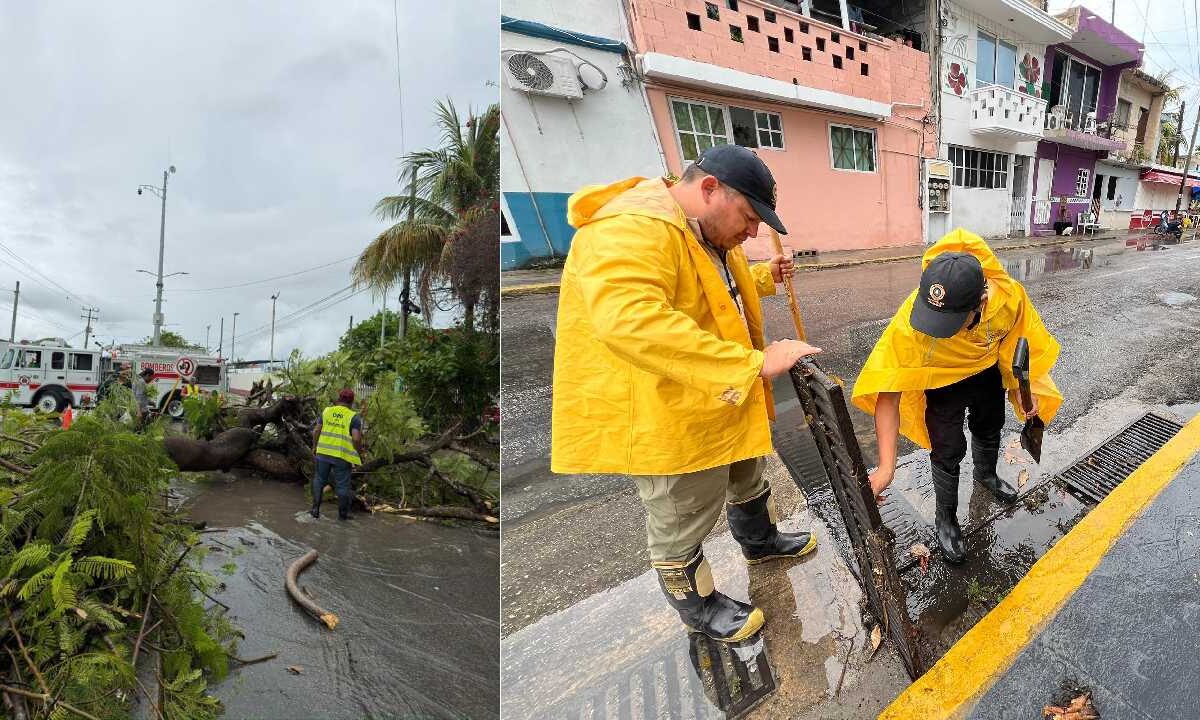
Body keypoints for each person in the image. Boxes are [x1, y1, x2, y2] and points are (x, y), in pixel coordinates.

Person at [551, 144, 823, 643]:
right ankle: (696, 606)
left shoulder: (703, 230)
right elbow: (632, 321)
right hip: (669, 410)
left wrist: (762, 277)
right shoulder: (632, 227)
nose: (752, 233)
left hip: (721, 395)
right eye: (749, 218)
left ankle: (760, 542)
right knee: (680, 514)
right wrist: (754, 364)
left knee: (747, 474)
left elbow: (710, 290)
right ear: (710, 189)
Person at [852, 229, 1062, 563]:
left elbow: (1021, 345)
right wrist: (886, 468)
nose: (935, 325)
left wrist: (1027, 389)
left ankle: (986, 475)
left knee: (990, 424)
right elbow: (887, 392)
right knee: (947, 446)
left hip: (986, 371)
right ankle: (946, 519)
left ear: (981, 302)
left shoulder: (1009, 300)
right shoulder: (912, 319)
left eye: (947, 321)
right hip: (941, 380)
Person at [310, 388, 365, 520]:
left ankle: (315, 510)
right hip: (342, 456)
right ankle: (342, 516)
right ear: (351, 402)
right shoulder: (353, 417)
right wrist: (359, 453)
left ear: (339, 399)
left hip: (323, 453)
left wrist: (315, 446)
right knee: (342, 485)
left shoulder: (327, 411)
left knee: (319, 480)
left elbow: (316, 431)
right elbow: (356, 439)